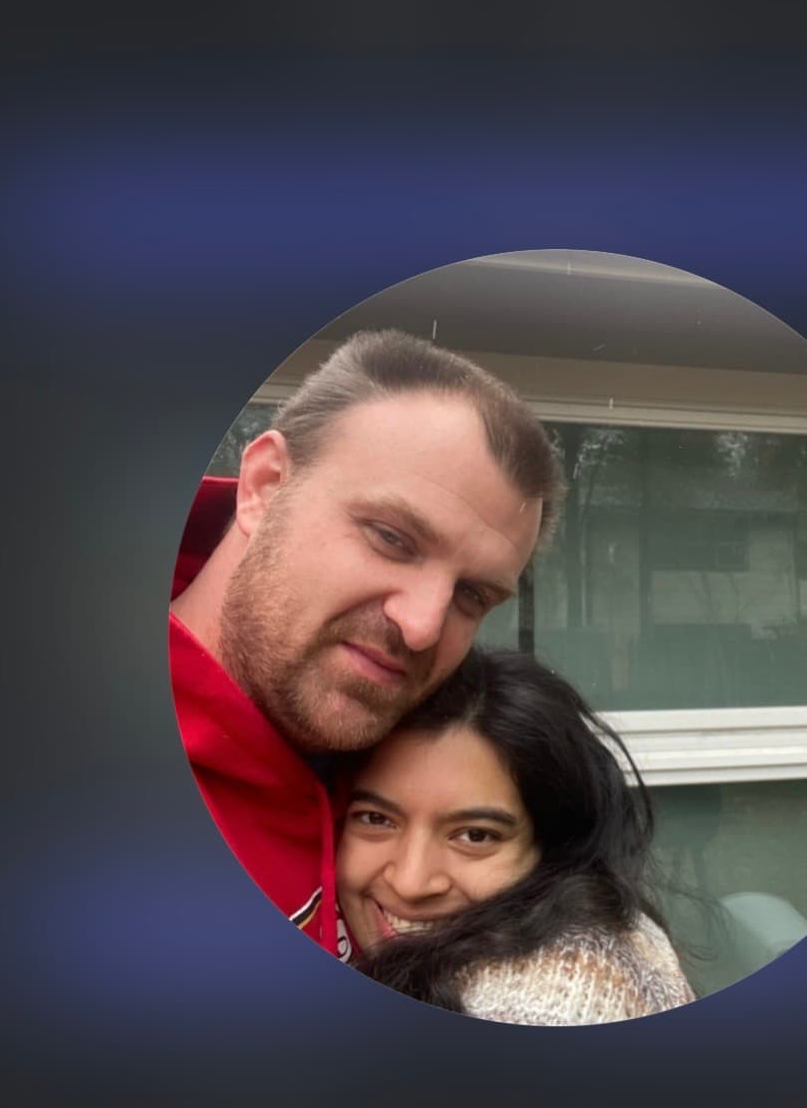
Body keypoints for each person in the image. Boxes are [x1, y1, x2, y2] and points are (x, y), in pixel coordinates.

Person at [169, 329, 563, 961]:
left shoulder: (403, 750)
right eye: (390, 538)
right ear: (265, 486)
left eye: (472, 596)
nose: (423, 628)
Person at [336, 647, 696, 1025]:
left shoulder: (561, 996)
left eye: (475, 836)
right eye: (376, 818)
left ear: (553, 846)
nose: (411, 883)